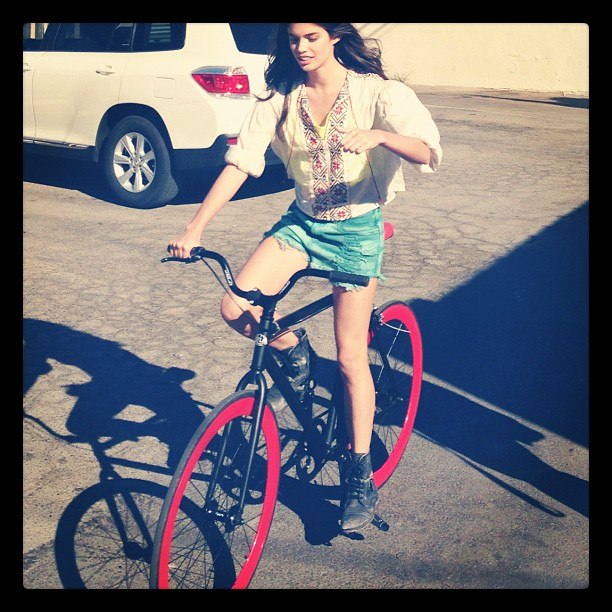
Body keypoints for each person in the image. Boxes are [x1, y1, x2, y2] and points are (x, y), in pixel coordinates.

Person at [168, 23, 442, 533]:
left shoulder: (377, 93)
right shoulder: (282, 96)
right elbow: (241, 162)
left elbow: (428, 150)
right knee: (236, 307)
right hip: (302, 223)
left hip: (357, 229)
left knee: (351, 358)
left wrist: (381, 136)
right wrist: (195, 226)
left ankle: (358, 475)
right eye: (294, 39)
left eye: (312, 36)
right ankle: (295, 355)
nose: (301, 48)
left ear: (334, 37)